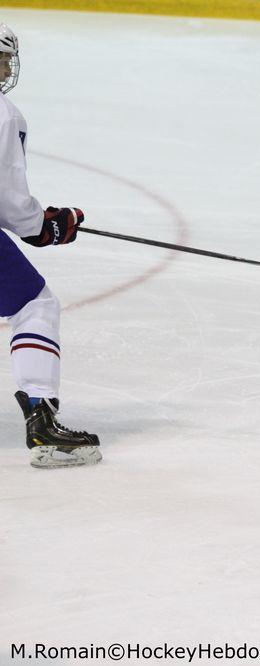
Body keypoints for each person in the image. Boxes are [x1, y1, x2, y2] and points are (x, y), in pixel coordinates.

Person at [0, 23, 100, 469]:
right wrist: (46, 226)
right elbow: (11, 204)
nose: (6, 68)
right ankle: (41, 418)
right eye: (2, 58)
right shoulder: (4, 113)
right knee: (35, 305)